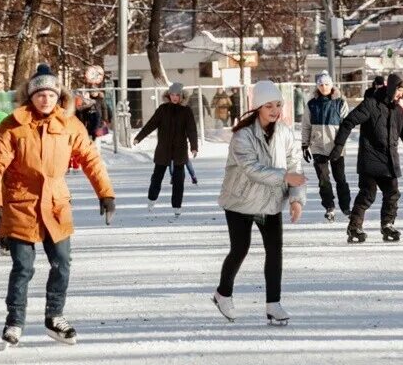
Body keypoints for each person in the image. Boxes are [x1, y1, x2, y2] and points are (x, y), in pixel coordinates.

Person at [0, 63, 115, 347]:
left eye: (51, 95)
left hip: (55, 203)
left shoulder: (69, 124)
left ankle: (55, 316)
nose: (46, 99)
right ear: (31, 96)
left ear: (59, 97)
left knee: (62, 263)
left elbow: (90, 158)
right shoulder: (13, 125)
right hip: (20, 204)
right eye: (40, 94)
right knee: (23, 267)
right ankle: (14, 322)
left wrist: (105, 193)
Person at [212, 80, 306, 326]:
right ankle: (223, 294)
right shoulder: (242, 136)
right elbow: (252, 169)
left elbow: (295, 164)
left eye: (278, 105)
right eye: (269, 106)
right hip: (240, 201)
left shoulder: (284, 132)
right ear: (257, 108)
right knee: (240, 249)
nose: (275, 110)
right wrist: (285, 176)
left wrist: (296, 198)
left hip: (270, 202)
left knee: (275, 252)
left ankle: (273, 304)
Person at [326, 74, 403, 244]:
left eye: (402, 91)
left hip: (389, 161)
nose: (400, 95)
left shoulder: (398, 111)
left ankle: (387, 225)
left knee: (392, 194)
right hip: (370, 159)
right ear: (393, 88)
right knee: (367, 194)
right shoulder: (371, 104)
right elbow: (349, 122)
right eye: (399, 90)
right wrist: (338, 146)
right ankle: (354, 228)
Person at [133, 82, 199, 217]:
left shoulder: (186, 111)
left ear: (182, 96)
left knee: (178, 180)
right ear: (169, 95)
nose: (174, 97)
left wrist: (194, 146)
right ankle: (151, 199)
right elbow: (151, 124)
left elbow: (192, 130)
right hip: (163, 149)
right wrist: (139, 137)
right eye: (172, 94)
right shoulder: (163, 109)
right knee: (157, 177)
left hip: (180, 150)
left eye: (177, 95)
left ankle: (177, 206)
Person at [301, 72, 351, 221]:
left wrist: (340, 145)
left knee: (340, 178)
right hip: (318, 147)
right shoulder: (312, 104)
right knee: (323, 179)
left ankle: (345, 206)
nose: (324, 87)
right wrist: (304, 145)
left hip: (336, 147)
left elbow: (346, 126)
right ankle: (329, 207)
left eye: (327, 84)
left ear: (332, 85)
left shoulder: (340, 102)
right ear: (317, 86)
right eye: (321, 85)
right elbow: (306, 126)